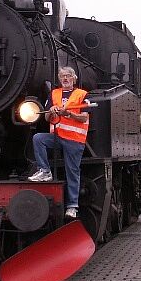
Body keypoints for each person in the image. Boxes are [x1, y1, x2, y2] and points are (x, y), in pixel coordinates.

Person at [29, 67, 90, 219]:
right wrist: (52, 111)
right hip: (57, 136)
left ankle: (72, 206)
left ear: (74, 78)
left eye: (68, 76)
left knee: (72, 171)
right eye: (62, 76)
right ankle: (45, 171)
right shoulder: (54, 93)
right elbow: (46, 118)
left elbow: (84, 117)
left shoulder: (82, 95)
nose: (65, 79)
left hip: (74, 139)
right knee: (38, 139)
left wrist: (68, 113)